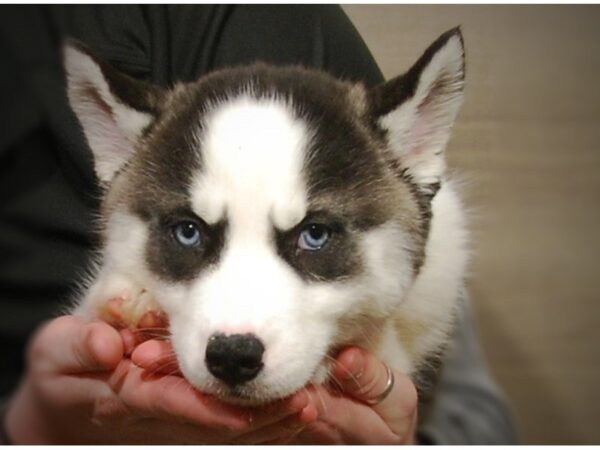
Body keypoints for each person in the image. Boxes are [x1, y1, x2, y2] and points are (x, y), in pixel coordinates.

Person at [0, 5, 518, 444]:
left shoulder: (251, 17)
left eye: (314, 235)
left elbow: (478, 421)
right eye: (189, 232)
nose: (234, 334)